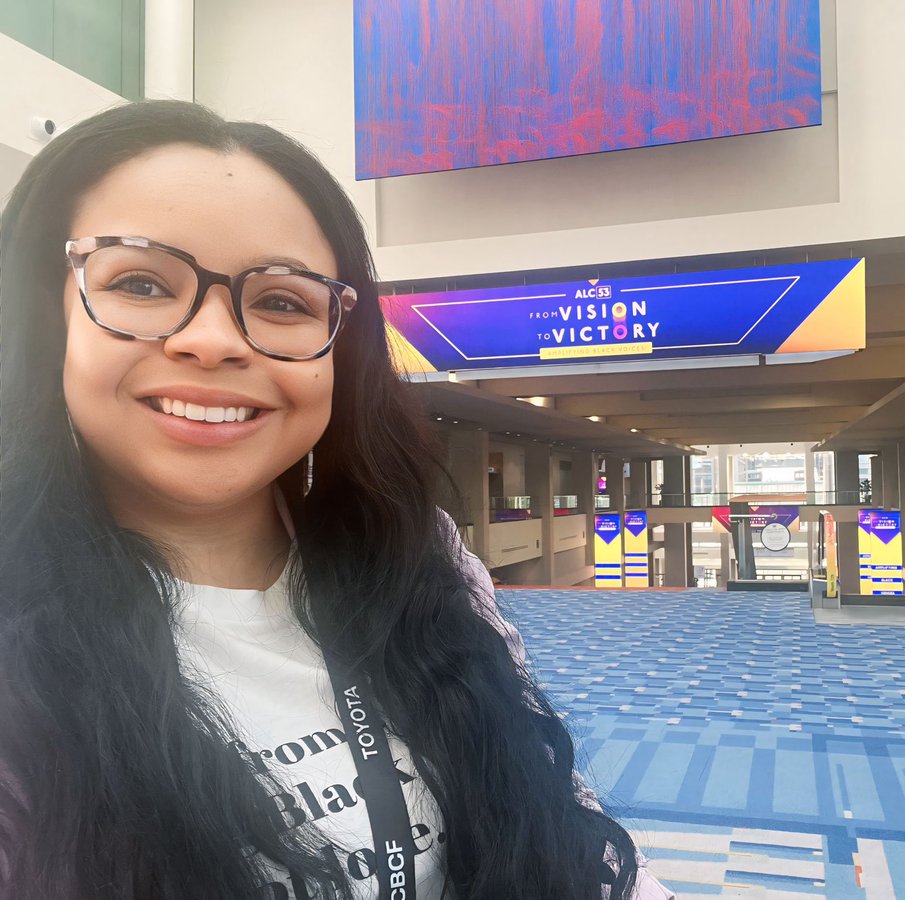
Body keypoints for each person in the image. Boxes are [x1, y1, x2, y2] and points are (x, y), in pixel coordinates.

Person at [0, 101, 673, 900]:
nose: (213, 340)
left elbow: (562, 827)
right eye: (140, 282)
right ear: (49, 317)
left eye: (282, 301)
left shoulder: (418, 558)